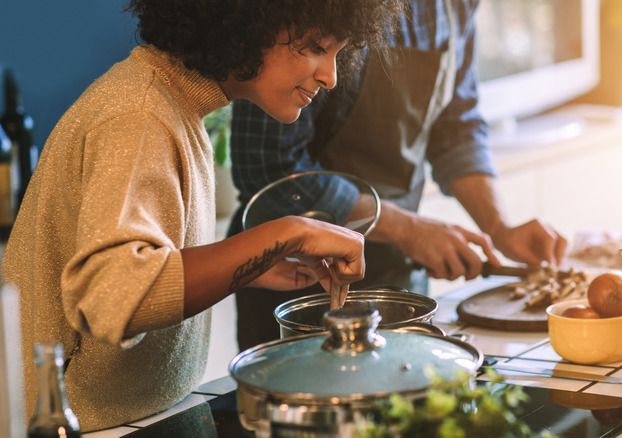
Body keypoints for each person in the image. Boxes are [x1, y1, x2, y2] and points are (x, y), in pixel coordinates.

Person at [1, 0, 406, 432]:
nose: (331, 76)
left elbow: (148, 255)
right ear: (246, 22)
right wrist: (290, 233)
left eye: (338, 53)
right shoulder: (138, 114)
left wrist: (247, 268)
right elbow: (114, 294)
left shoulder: (172, 104)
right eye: (313, 47)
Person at [228, 0, 568, 350]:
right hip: (300, 286)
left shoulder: (456, 6)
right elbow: (269, 167)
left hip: (398, 278)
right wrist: (406, 229)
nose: (328, 75)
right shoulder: (312, 12)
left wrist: (499, 227)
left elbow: (456, 126)